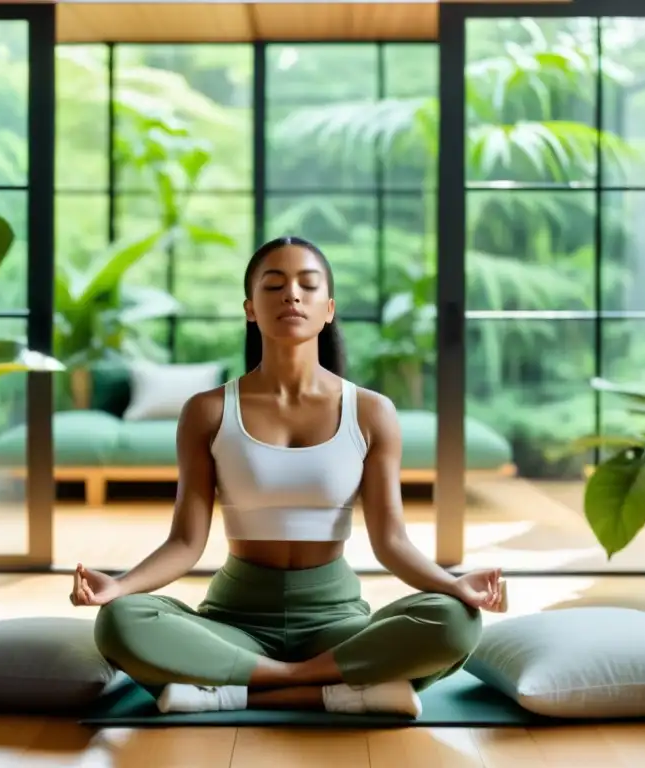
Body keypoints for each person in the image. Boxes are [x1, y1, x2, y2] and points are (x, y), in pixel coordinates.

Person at [70, 236, 505, 718]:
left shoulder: (371, 412)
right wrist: (119, 587)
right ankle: (335, 689)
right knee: (120, 622)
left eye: (308, 285)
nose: (291, 295)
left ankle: (235, 689)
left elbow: (392, 542)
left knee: (455, 622)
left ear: (329, 308)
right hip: (235, 622)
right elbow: (185, 543)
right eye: (273, 285)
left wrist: (454, 585)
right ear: (251, 309)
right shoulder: (207, 411)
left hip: (336, 624)